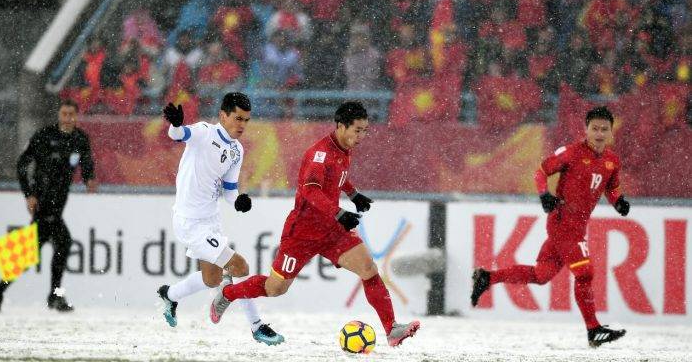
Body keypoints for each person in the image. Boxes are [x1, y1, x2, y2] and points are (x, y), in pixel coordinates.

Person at [208, 101, 421, 347]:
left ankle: (391, 329)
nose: (361, 136)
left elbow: (337, 176)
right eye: (358, 130)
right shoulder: (319, 154)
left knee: (368, 268)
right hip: (303, 232)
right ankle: (227, 294)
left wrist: (353, 194)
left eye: (365, 130)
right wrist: (339, 212)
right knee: (275, 288)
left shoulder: (344, 147)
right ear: (341, 126)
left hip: (331, 231)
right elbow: (310, 191)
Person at [470, 106, 630, 348]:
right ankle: (593, 329)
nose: (599, 133)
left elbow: (611, 186)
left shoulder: (612, 161)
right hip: (563, 224)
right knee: (585, 273)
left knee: (541, 275)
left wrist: (618, 201)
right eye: (594, 128)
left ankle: (488, 278)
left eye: (604, 129)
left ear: (610, 132)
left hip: (576, 226)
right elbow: (541, 171)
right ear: (585, 130)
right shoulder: (572, 153)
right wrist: (544, 194)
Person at [157, 92, 284, 346]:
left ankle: (169, 295)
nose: (242, 125)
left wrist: (238, 200)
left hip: (210, 220)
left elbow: (229, 190)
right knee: (240, 267)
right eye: (238, 118)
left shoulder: (237, 150)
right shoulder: (204, 132)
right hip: (189, 221)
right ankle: (257, 327)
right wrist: (176, 124)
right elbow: (178, 135)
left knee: (211, 279)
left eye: (247, 120)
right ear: (222, 115)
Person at [0, 99, 97, 312]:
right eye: (64, 114)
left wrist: (89, 178)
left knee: (32, 252)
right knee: (63, 244)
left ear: (76, 116)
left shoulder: (80, 139)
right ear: (59, 115)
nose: (67, 119)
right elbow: (23, 164)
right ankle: (54, 296)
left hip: (59, 203)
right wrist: (29, 194)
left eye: (71, 115)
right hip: (44, 202)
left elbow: (86, 162)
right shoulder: (44, 136)